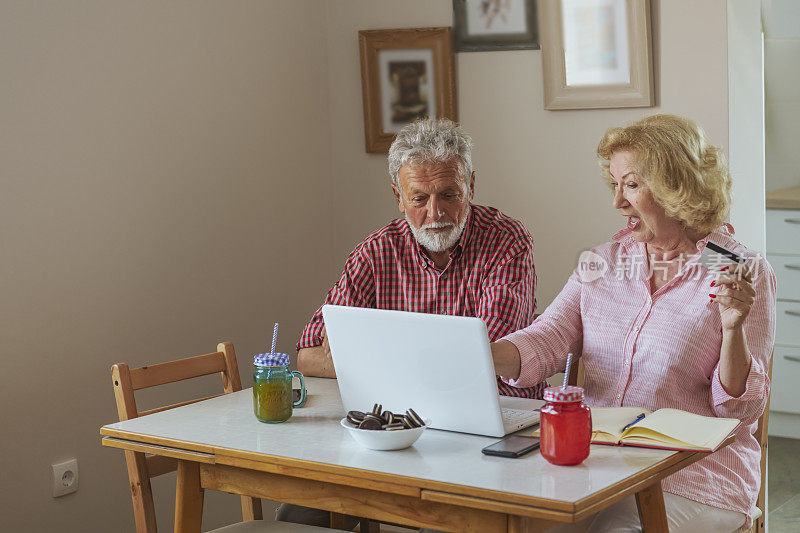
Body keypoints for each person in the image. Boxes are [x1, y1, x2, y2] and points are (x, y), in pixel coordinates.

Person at [491, 114, 776, 532]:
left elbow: (740, 410)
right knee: (515, 524)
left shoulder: (736, 268)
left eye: (632, 184)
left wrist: (733, 330)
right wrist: (477, 353)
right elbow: (548, 337)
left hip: (694, 476)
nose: (617, 202)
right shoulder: (604, 262)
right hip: (596, 464)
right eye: (616, 184)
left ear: (677, 188)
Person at [277, 118, 546, 529]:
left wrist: (374, 361)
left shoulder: (505, 241)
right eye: (419, 198)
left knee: (439, 520)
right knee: (299, 513)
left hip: (490, 436)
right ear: (398, 197)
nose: (434, 213)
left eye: (449, 195)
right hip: (394, 432)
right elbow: (309, 354)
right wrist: (418, 365)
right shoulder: (376, 252)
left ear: (471, 186)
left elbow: (487, 360)